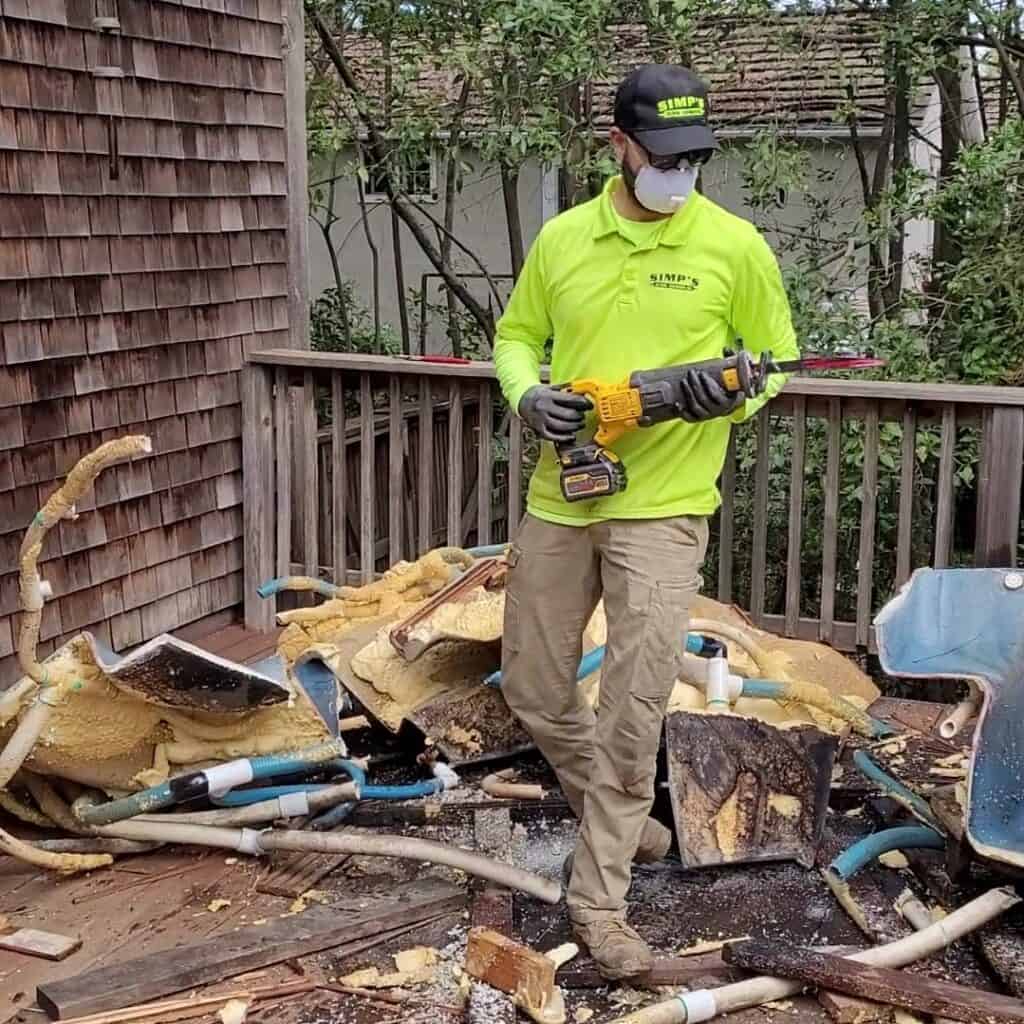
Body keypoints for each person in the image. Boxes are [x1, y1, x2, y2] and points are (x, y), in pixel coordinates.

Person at [492, 63, 799, 980]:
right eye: (661, 157)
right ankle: (637, 824)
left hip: (664, 512)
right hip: (563, 495)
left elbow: (774, 363)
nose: (678, 174)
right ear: (618, 146)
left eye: (694, 158)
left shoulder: (734, 247)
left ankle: (600, 902)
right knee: (536, 690)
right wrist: (528, 395)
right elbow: (515, 336)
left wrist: (726, 398)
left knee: (631, 713)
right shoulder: (562, 240)